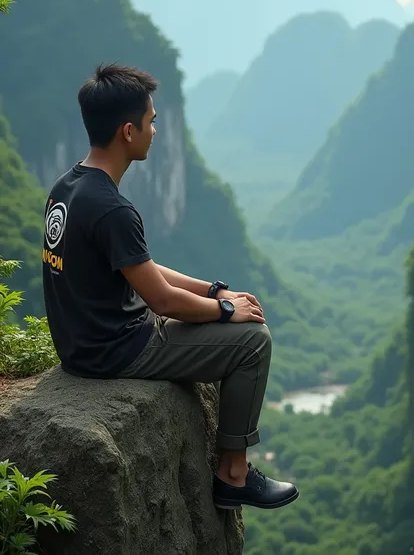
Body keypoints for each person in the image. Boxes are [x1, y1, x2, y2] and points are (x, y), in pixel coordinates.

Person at [42, 63, 299, 511]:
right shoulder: (112, 209)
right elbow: (159, 298)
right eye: (152, 120)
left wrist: (212, 290)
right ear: (128, 131)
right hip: (115, 350)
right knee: (253, 341)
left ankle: (233, 470)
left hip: (79, 344)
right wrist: (224, 313)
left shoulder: (69, 187)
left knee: (234, 319)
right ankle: (233, 475)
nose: (157, 130)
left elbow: (142, 268)